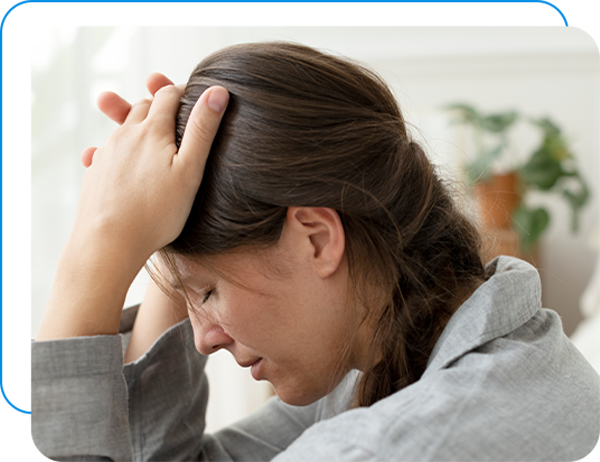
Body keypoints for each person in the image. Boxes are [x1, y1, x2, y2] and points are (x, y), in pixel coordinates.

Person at [31, 42, 600, 461]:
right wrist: (161, 219)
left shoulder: (392, 445)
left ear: (318, 239)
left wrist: (95, 255)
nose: (202, 337)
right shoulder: (405, 361)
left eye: (208, 292)